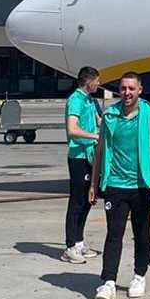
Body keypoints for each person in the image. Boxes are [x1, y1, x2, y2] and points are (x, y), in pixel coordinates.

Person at [88, 72, 150, 299]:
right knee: (114, 234)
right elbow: (100, 151)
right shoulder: (110, 115)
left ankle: (139, 275)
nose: (127, 93)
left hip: (142, 185)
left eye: (131, 88)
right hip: (115, 184)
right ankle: (108, 282)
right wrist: (94, 183)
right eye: (123, 88)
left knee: (141, 233)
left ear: (140, 90)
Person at [63, 66, 101, 264]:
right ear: (89, 81)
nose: (99, 84)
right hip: (78, 156)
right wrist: (94, 136)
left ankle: (79, 242)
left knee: (88, 200)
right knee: (77, 201)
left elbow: (99, 121)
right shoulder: (76, 100)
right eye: (97, 80)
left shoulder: (90, 100)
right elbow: (72, 129)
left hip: (90, 155)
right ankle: (70, 246)